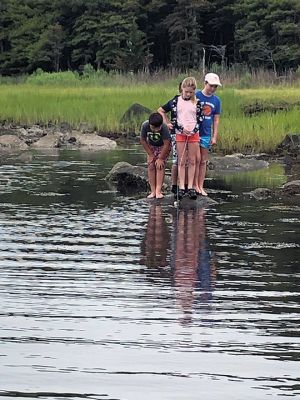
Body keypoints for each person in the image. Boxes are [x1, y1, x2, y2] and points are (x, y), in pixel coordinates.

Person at [158, 77, 203, 200]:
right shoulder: (175, 101)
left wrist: (193, 130)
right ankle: (182, 186)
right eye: (186, 91)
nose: (188, 94)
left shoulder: (197, 103)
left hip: (193, 134)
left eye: (191, 92)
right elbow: (168, 115)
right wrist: (168, 123)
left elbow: (200, 119)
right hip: (179, 133)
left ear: (194, 91)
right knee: (181, 160)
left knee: (192, 161)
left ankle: (191, 187)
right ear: (182, 89)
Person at [195, 72, 222, 196]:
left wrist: (214, 136)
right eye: (211, 85)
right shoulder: (196, 95)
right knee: (194, 159)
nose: (213, 89)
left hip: (206, 133)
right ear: (205, 83)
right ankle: (193, 184)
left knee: (203, 161)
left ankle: (200, 186)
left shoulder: (216, 100)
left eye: (215, 86)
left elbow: (216, 119)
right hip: (194, 133)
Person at [140, 112, 171, 199]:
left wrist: (161, 158)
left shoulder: (164, 127)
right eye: (154, 128)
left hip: (163, 147)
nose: (156, 130)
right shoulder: (145, 126)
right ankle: (153, 191)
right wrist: (150, 154)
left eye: (158, 128)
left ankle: (158, 191)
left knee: (159, 166)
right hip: (151, 146)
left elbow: (167, 144)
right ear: (150, 124)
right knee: (151, 165)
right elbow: (142, 140)